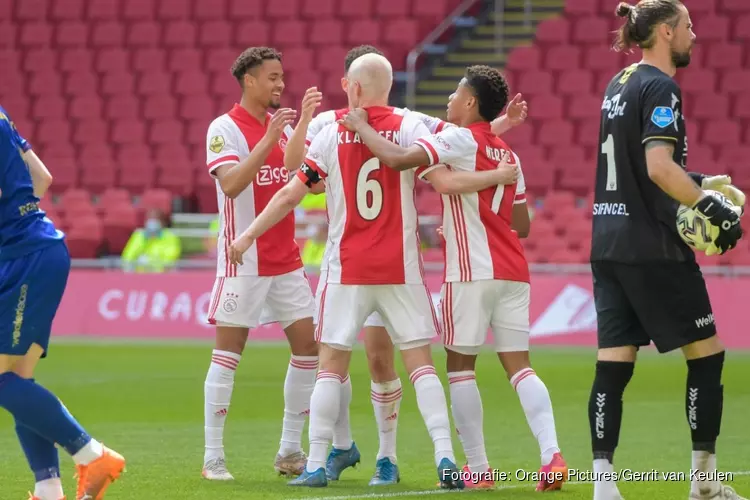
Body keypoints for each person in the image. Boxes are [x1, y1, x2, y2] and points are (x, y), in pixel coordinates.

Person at [229, 53, 519, 489]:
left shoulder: (333, 131)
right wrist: (500, 134)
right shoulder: (410, 125)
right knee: (420, 366)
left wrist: (247, 234)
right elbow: (465, 140)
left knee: (329, 366)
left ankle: (316, 463)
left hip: (347, 269)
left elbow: (291, 192)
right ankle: (445, 458)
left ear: (356, 87)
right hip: (400, 269)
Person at [339, 64, 566, 491]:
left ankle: (478, 469)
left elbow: (398, 158)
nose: (449, 100)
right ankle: (551, 454)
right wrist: (480, 214)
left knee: (461, 368)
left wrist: (361, 128)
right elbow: (523, 224)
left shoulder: (456, 139)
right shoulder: (509, 155)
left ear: (471, 102)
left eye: (456, 92)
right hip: (513, 271)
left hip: (469, 272)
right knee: (520, 367)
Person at [588, 2, 745, 499]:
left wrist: (697, 179)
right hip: (653, 247)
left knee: (613, 362)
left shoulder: (619, 83)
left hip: (607, 243)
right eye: (688, 27)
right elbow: (657, 168)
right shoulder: (661, 86)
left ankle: (603, 484)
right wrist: (709, 206)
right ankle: (703, 482)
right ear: (664, 31)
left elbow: (633, 167)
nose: (695, 36)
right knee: (708, 358)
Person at [201, 47, 319, 481]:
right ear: (249, 81)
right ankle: (213, 457)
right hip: (243, 260)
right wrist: (269, 138)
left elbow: (304, 179)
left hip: (286, 260)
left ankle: (290, 450)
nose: (279, 85)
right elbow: (231, 185)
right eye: (271, 77)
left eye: (281, 77)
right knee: (228, 353)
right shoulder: (224, 128)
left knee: (309, 349)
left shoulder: (285, 132)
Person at [0, 106, 126, 500]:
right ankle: (48, 488)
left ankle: (92, 453)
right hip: (36, 250)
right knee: (17, 378)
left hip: (25, 258)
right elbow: (42, 177)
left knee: (4, 381)